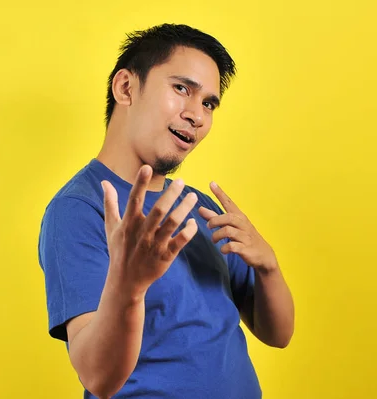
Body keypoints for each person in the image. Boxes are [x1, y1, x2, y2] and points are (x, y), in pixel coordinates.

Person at [37, 23, 295, 399]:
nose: (198, 115)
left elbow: (278, 334)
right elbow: (97, 377)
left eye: (208, 102)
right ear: (126, 87)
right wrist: (130, 286)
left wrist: (268, 265)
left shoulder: (198, 206)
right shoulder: (79, 210)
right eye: (181, 89)